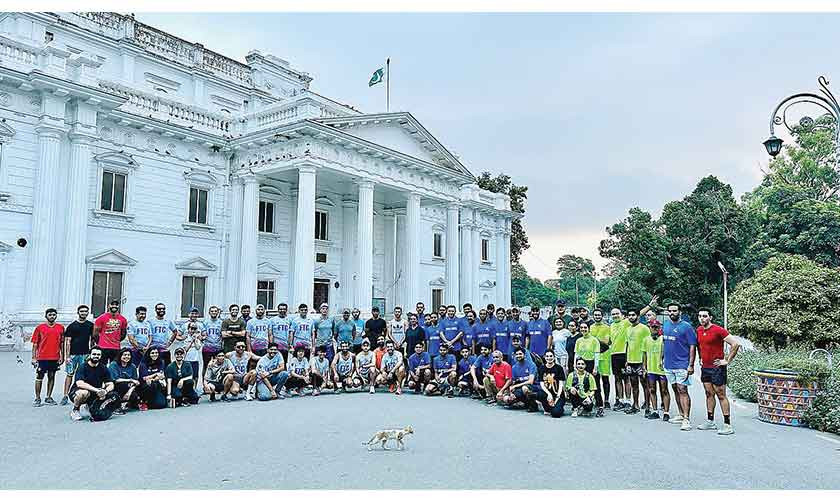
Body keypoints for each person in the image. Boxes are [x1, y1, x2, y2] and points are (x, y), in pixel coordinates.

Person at [696, 307, 739, 435]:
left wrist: (727, 360)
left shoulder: (718, 330)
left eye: (704, 316)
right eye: (700, 316)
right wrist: (700, 358)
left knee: (721, 395)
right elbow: (699, 345)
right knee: (709, 393)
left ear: (710, 317)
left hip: (717, 368)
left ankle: (727, 425)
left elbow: (735, 344)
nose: (702, 318)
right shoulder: (699, 330)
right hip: (705, 367)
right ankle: (710, 421)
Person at [662, 302, 698, 431]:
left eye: (674, 311)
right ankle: (681, 414)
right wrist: (662, 359)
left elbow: (692, 346)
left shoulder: (686, 327)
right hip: (668, 365)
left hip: (682, 364)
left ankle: (686, 419)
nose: (672, 313)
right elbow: (664, 343)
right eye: (670, 311)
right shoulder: (665, 325)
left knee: (682, 389)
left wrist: (691, 365)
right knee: (675, 389)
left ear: (680, 312)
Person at [69, 347, 117, 421]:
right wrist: (97, 390)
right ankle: (75, 409)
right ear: (89, 355)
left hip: (95, 392)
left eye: (98, 354)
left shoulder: (103, 368)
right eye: (94, 354)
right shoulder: (82, 367)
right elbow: (80, 383)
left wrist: (105, 391)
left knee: (106, 396)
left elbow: (110, 384)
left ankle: (89, 406)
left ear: (101, 356)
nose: (96, 356)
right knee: (83, 393)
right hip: (78, 392)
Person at [31, 308, 64, 407]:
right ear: (46, 316)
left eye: (54, 315)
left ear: (56, 316)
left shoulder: (61, 328)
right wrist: (34, 358)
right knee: (39, 377)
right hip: (42, 357)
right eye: (50, 315)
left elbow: (62, 344)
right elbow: (35, 344)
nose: (52, 316)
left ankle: (48, 397)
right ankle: (37, 398)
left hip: (54, 357)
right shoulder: (39, 328)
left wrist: (62, 356)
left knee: (51, 377)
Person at [61, 305, 93, 405]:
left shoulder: (90, 325)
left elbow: (92, 340)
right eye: (82, 311)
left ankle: (85, 394)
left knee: (84, 375)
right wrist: (67, 357)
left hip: (85, 354)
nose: (84, 313)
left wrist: (91, 353)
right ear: (78, 312)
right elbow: (67, 342)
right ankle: (65, 395)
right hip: (73, 355)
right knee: (69, 374)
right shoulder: (72, 326)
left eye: (85, 311)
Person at [623, 309, 651, 415]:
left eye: (633, 315)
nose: (631, 317)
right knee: (634, 384)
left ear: (638, 316)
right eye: (629, 315)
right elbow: (627, 345)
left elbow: (648, 344)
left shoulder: (644, 328)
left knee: (645, 385)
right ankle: (635, 405)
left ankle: (648, 406)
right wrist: (626, 360)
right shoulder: (627, 329)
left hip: (641, 361)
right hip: (631, 361)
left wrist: (645, 363)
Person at [574, 322, 604, 417]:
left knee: (596, 386)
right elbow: (576, 354)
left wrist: (595, 367)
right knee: (582, 385)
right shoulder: (579, 340)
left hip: (591, 364)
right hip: (581, 364)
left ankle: (600, 406)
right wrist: (575, 366)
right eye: (581, 327)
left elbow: (596, 354)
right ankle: (583, 405)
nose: (583, 329)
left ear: (589, 329)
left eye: (585, 327)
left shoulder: (594, 340)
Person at [642, 319, 669, 420]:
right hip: (651, 369)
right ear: (649, 328)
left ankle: (666, 412)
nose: (654, 329)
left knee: (664, 390)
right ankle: (655, 411)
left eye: (656, 327)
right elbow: (644, 354)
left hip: (661, 369)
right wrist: (644, 368)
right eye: (652, 327)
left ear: (659, 328)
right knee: (652, 389)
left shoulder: (663, 339)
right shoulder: (646, 339)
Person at [609, 308, 631, 411]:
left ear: (622, 315)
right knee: (617, 378)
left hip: (624, 354)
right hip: (614, 355)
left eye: (617, 313)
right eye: (613, 314)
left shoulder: (625, 322)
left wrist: (649, 305)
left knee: (626, 378)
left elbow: (639, 313)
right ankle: (621, 400)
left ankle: (628, 401)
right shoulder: (611, 326)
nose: (615, 315)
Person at [589, 308, 612, 409]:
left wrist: (594, 340)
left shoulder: (607, 327)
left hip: (605, 356)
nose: (597, 316)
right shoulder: (590, 327)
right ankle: (597, 399)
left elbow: (606, 342)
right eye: (595, 315)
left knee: (605, 379)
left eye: (599, 315)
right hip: (593, 357)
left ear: (602, 316)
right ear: (593, 316)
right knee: (595, 380)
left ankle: (606, 400)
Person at [93, 300, 127, 364]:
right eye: (112, 304)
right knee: (102, 366)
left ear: (118, 306)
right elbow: (95, 333)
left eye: (116, 305)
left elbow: (123, 333)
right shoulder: (101, 318)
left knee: (115, 366)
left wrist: (117, 340)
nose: (114, 306)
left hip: (116, 347)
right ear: (109, 306)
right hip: (103, 347)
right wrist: (100, 342)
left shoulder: (123, 319)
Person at [536, 350, 567, 418]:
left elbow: (561, 384)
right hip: (547, 394)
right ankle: (547, 408)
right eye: (547, 356)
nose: (549, 358)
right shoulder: (541, 368)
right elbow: (542, 384)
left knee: (556, 413)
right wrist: (549, 394)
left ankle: (557, 408)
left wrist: (557, 398)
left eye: (551, 356)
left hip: (558, 394)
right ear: (544, 357)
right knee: (539, 394)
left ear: (554, 357)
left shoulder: (559, 368)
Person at [182, 317, 204, 384]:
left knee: (195, 377)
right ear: (188, 329)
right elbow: (186, 349)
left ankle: (195, 388)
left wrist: (195, 340)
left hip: (195, 360)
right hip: (187, 360)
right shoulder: (185, 338)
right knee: (187, 376)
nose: (193, 330)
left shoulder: (197, 338)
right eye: (191, 328)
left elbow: (198, 347)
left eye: (195, 329)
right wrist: (191, 341)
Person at [202, 305, 224, 370]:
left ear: (218, 312)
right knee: (206, 366)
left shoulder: (221, 322)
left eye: (215, 311)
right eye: (212, 311)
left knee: (218, 366)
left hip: (218, 347)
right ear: (209, 312)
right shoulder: (205, 322)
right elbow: (202, 334)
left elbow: (223, 334)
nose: (214, 312)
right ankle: (205, 377)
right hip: (207, 347)